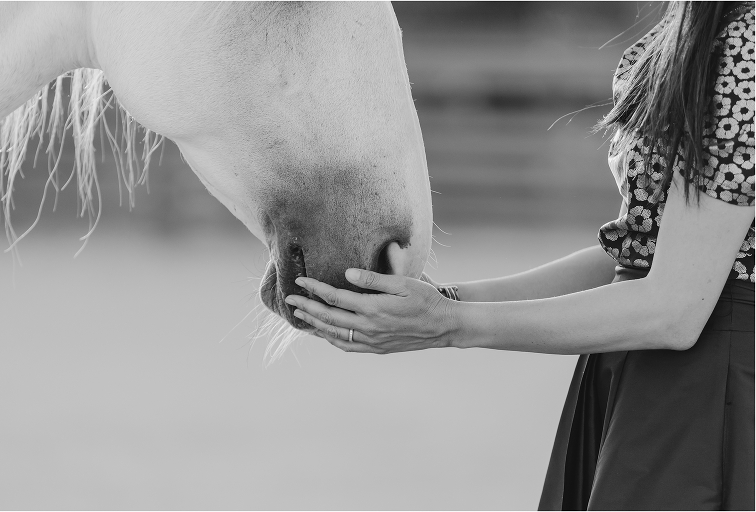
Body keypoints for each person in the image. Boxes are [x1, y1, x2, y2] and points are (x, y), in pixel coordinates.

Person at [284, 2, 754, 509]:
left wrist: (451, 324)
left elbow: (676, 309)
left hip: (707, 387)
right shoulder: (702, 26)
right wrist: (443, 303)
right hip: (650, 376)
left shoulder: (742, 48)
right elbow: (639, 255)